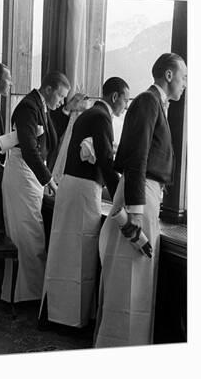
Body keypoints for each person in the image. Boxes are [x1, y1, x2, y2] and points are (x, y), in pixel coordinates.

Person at [94, 53, 186, 347]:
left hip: (146, 193)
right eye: (183, 77)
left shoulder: (156, 104)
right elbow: (138, 158)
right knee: (129, 273)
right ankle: (119, 346)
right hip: (139, 194)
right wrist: (135, 212)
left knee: (137, 274)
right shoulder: (148, 102)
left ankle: (128, 344)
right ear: (168, 76)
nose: (186, 84)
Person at [39, 77, 129, 329]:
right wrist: (122, 196)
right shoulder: (101, 117)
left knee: (67, 251)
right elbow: (105, 159)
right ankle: (69, 319)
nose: (125, 105)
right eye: (125, 98)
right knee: (79, 253)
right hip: (82, 190)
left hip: (74, 187)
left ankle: (61, 314)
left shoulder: (91, 114)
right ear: (114, 97)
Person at [1, 71, 73, 304]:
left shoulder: (40, 106)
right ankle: (29, 296)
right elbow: (31, 149)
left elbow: (49, 136)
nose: (61, 102)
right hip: (23, 173)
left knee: (30, 234)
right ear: (49, 89)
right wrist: (49, 180)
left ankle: (25, 293)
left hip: (29, 173)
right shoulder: (28, 107)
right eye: (60, 97)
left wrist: (65, 111)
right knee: (28, 235)